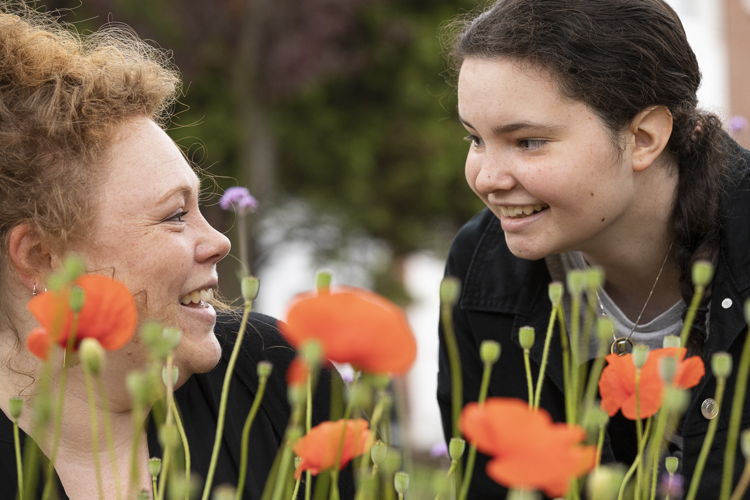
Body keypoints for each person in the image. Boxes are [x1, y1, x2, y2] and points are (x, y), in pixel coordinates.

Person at [0, 5, 345, 499]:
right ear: (40, 257)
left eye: (199, 206)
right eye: (174, 216)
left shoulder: (274, 379)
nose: (219, 242)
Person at [437, 0, 750, 497]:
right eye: (475, 139)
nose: (486, 179)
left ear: (644, 137)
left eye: (528, 141)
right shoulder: (482, 263)